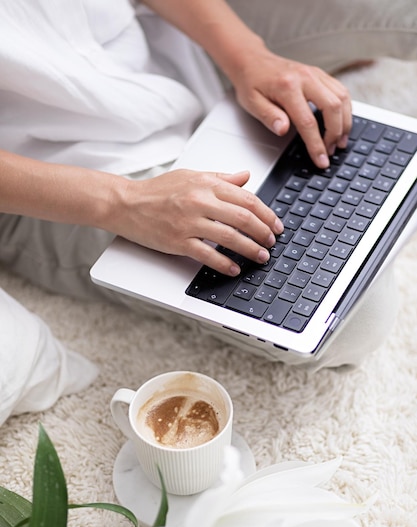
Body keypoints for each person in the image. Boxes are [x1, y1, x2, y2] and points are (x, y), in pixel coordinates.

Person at [0, 0, 416, 371]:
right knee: (354, 320)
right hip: (66, 171)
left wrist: (250, 56)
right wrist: (124, 202)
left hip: (163, 32)